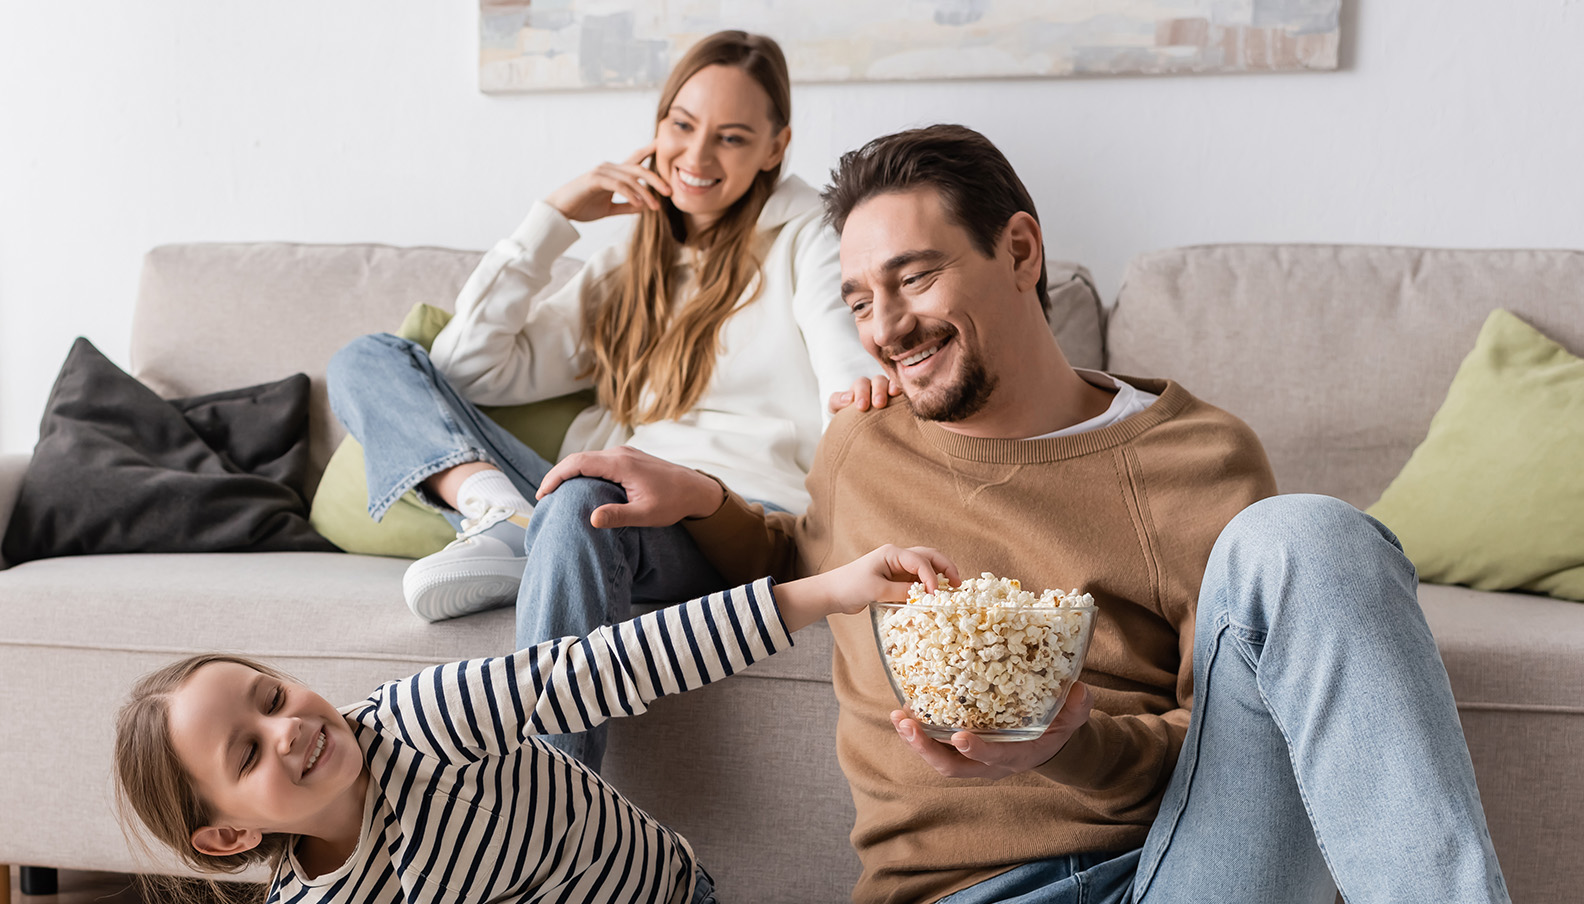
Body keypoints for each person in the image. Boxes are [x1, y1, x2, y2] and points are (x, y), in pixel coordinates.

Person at [532, 124, 1511, 903]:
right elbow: (799, 556)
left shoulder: (1198, 457)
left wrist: (1068, 741)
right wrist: (705, 500)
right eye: (860, 300)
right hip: (958, 891)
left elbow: (1237, 736)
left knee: (1311, 533)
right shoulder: (864, 444)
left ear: (1020, 250)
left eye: (914, 277)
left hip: (1187, 869)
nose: (888, 329)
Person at [325, 31, 875, 769]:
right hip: (583, 500)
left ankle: (553, 809)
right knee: (369, 358)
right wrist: (554, 218)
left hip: (721, 517)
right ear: (657, 125)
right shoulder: (628, 259)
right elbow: (466, 370)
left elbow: (847, 369)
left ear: (775, 147)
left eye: (732, 137)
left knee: (584, 496)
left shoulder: (811, 237)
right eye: (681, 125)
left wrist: (867, 397)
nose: (697, 157)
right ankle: (501, 512)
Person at [112, 544, 958, 904]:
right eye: (248, 752)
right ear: (226, 838)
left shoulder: (422, 722)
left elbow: (620, 662)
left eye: (271, 698)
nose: (288, 728)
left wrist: (831, 590)